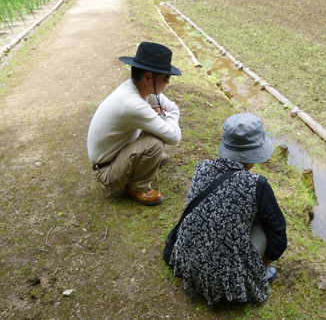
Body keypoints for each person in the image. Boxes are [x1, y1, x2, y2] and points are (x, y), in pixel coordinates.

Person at [170, 113, 287, 305]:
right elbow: (279, 237)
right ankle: (256, 273)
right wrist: (259, 266)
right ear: (253, 152)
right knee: (267, 224)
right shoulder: (257, 185)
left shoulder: (201, 167)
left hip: (189, 263)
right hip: (224, 281)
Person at [87, 42, 182, 205]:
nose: (167, 83)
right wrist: (165, 115)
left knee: (156, 131)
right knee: (156, 143)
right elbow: (174, 137)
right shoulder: (132, 103)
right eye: (165, 79)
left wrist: (163, 114)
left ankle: (142, 163)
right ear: (148, 77)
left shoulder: (140, 89)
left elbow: (173, 107)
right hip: (107, 170)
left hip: (116, 153)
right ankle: (137, 187)